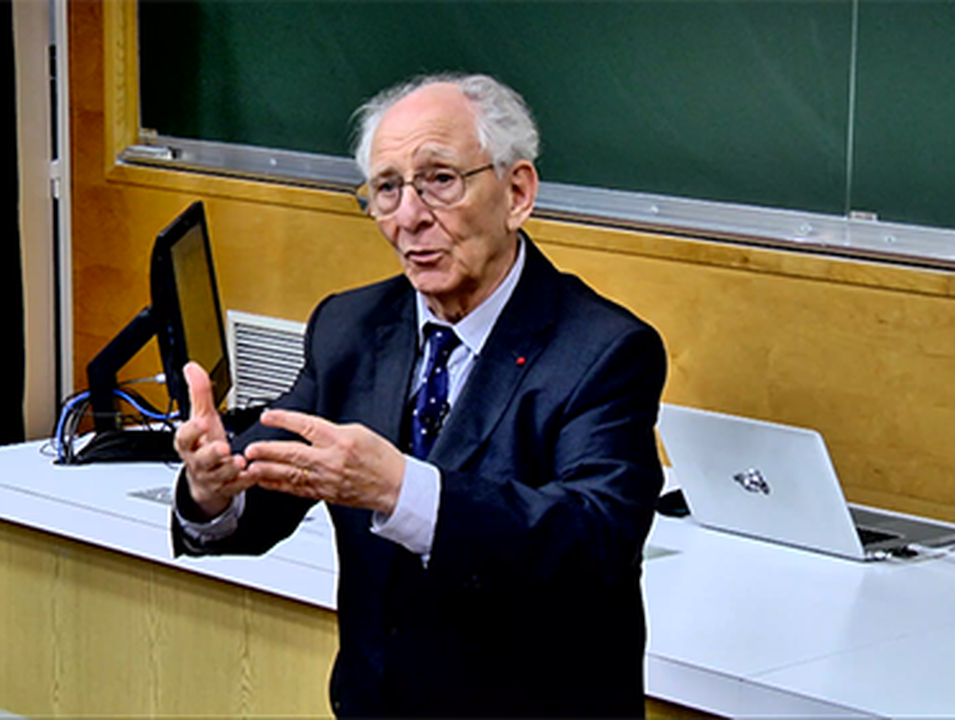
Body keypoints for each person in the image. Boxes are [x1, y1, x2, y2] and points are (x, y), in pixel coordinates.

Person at [171, 73, 666, 718]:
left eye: (440, 180)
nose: (409, 216)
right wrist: (214, 488)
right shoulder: (348, 326)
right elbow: (268, 487)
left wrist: (402, 490)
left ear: (517, 193)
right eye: (387, 188)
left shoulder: (604, 349)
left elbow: (596, 540)